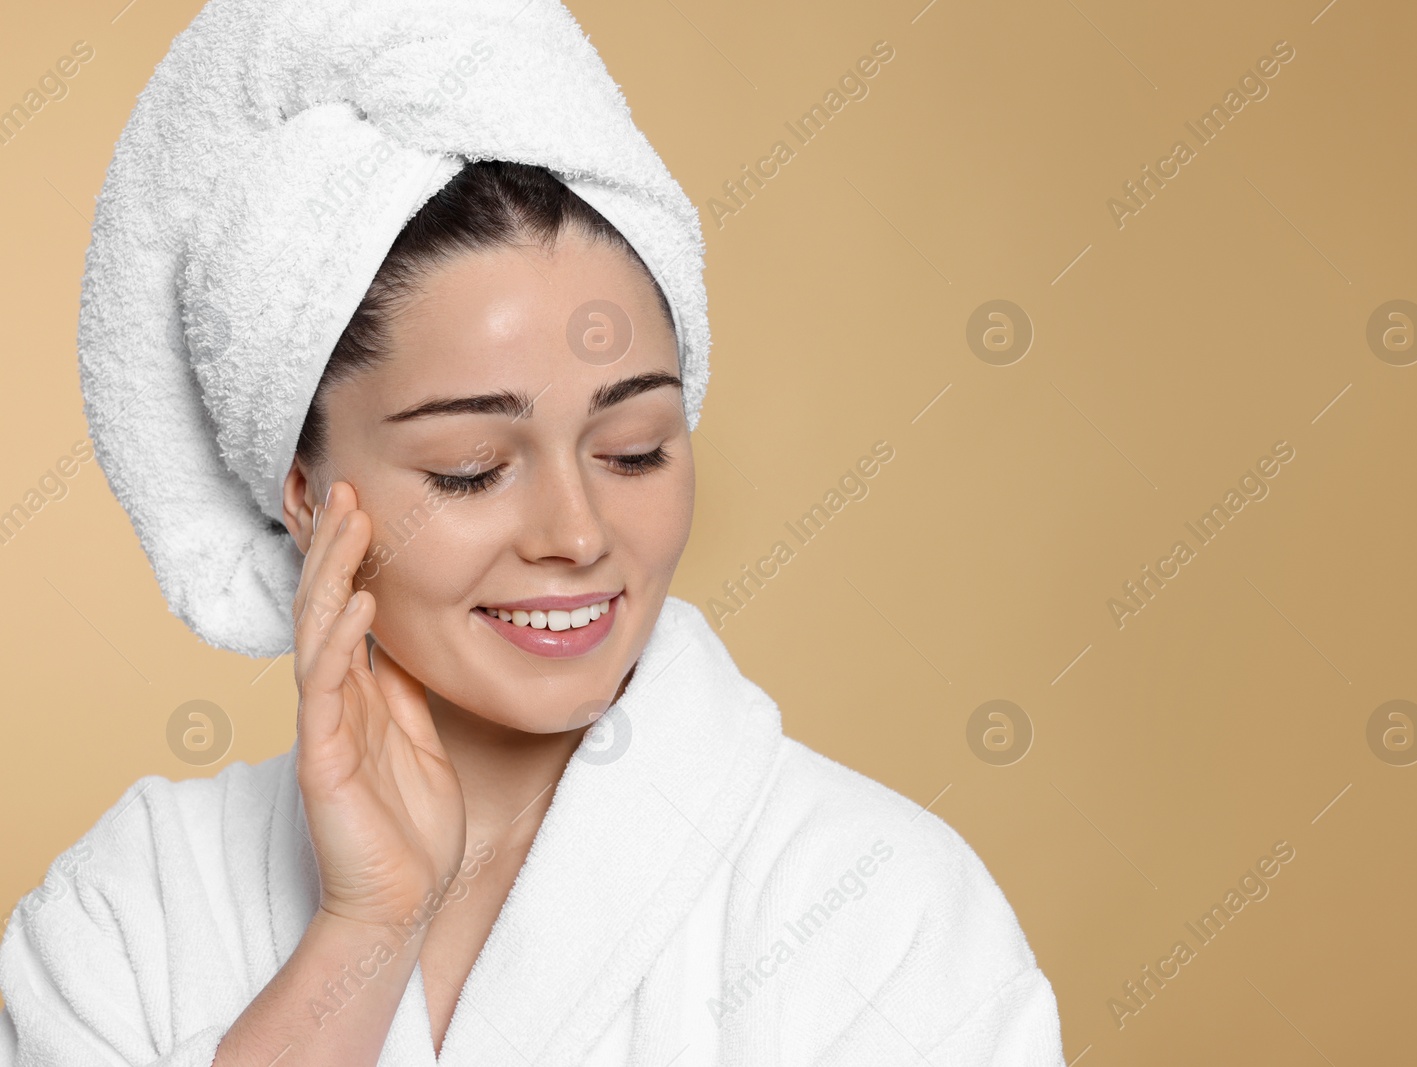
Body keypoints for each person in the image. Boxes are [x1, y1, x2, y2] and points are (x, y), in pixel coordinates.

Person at [0, 4, 1068, 1065]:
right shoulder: (133, 913)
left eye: (635, 446)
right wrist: (363, 933)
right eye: (471, 469)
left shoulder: (874, 908)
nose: (576, 532)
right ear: (304, 492)